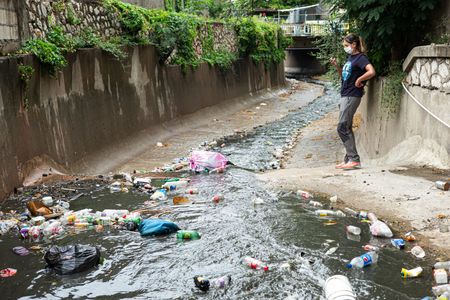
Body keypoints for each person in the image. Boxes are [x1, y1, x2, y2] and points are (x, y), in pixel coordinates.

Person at [330, 33, 376, 170]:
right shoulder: (350, 58)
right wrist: (337, 66)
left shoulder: (361, 58)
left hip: (352, 95)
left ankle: (354, 159)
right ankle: (349, 159)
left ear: (354, 44)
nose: (345, 48)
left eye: (346, 45)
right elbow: (344, 77)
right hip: (345, 94)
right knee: (347, 127)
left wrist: (359, 80)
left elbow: (371, 71)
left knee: (342, 127)